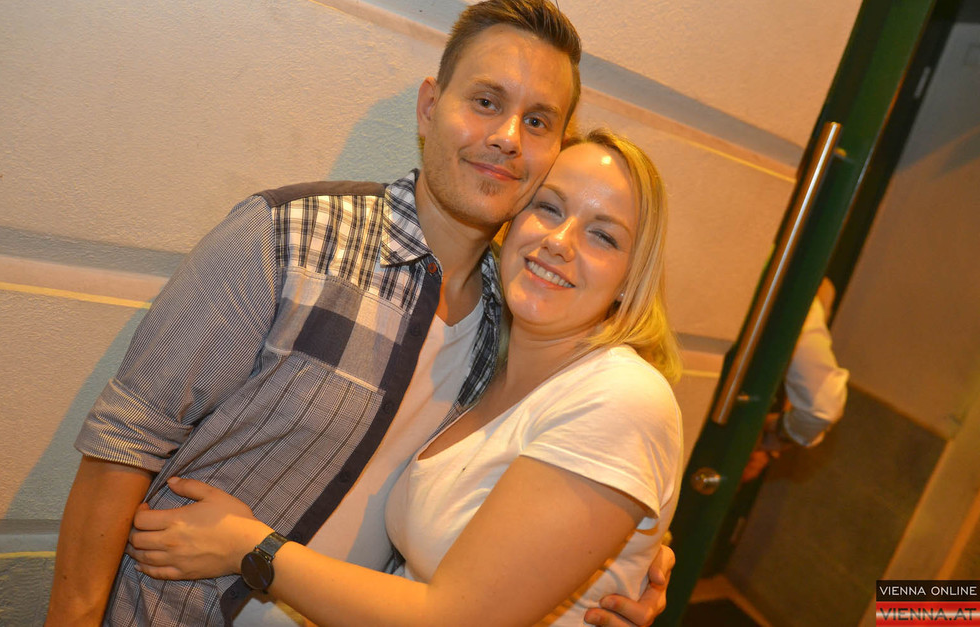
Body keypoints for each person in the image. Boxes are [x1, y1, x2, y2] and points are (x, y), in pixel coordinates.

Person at [45, 0, 672, 627]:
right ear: (430, 107)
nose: (508, 138)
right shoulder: (287, 236)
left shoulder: (511, 328)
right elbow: (126, 442)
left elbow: (529, 495)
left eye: (537, 121)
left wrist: (621, 555)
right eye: (486, 102)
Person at [128, 128, 683, 627]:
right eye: (549, 208)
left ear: (630, 281)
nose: (560, 241)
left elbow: (456, 617)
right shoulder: (490, 366)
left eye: (604, 236)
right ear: (512, 221)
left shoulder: (621, 396)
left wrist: (249, 547)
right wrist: (631, 542)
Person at [741, 277, 849, 482]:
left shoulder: (818, 288)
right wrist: (778, 431)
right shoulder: (802, 284)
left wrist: (769, 445)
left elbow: (794, 377)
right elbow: (820, 407)